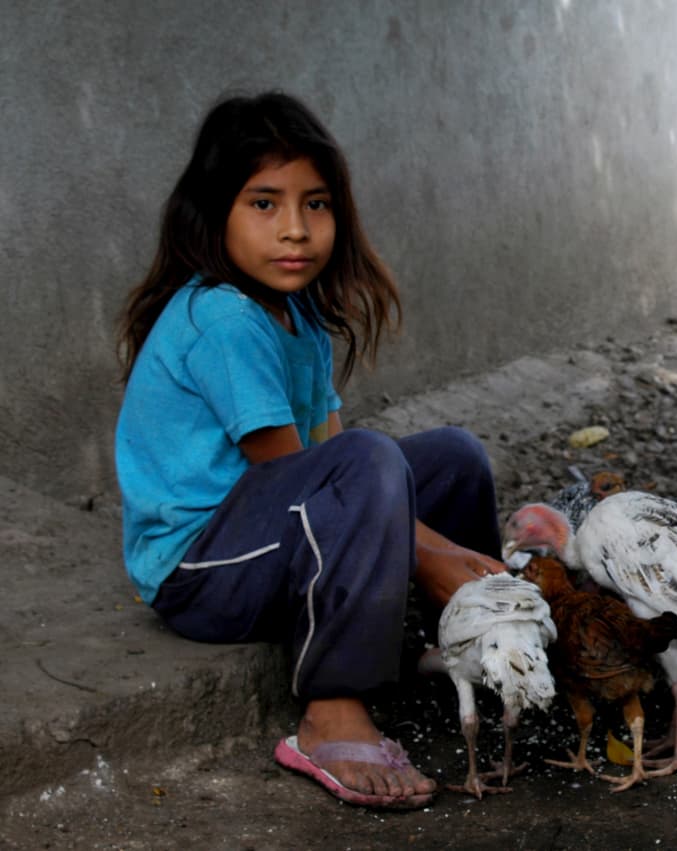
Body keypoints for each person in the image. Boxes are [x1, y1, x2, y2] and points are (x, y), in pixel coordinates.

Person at [114, 91, 508, 809]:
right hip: (200, 570)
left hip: (272, 534)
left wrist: (452, 554)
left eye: (315, 204)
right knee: (368, 461)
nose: (295, 230)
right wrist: (432, 554)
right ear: (214, 212)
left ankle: (477, 636)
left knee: (450, 456)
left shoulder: (296, 311)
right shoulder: (222, 318)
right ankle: (330, 710)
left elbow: (334, 460)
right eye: (264, 204)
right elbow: (301, 470)